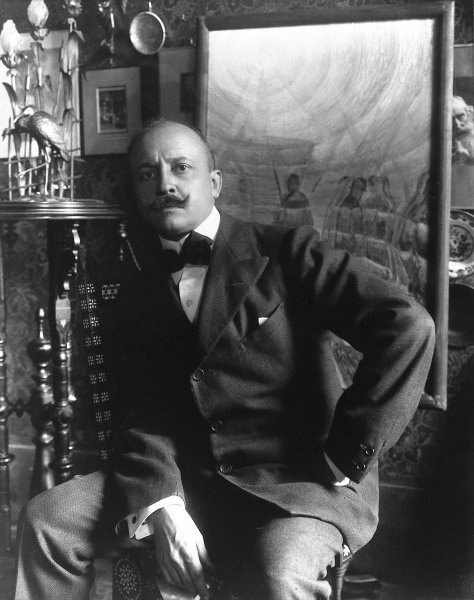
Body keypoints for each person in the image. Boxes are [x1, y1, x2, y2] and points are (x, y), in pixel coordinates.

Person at [14, 118, 435, 600]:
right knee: (48, 520)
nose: (164, 184)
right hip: (189, 477)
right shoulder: (134, 290)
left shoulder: (287, 252)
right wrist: (162, 505)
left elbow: (407, 325)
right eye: (147, 174)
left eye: (180, 168)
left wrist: (346, 452)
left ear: (214, 182)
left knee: (281, 572)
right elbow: (142, 411)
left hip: (297, 483)